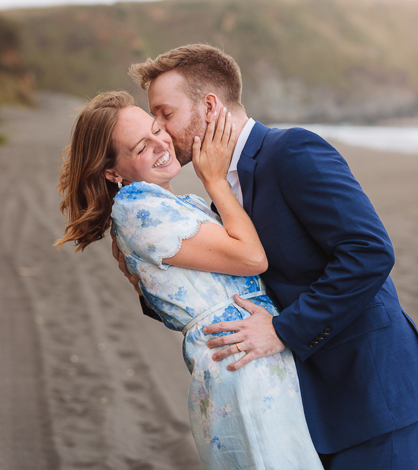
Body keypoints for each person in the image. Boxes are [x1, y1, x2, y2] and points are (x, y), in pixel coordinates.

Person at [115, 44, 418, 469]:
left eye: (165, 114)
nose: (161, 130)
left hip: (372, 393)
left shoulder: (291, 150)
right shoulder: (219, 190)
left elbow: (368, 252)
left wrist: (283, 330)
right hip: (310, 402)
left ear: (209, 106)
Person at [56, 91, 323, 470]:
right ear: (113, 173)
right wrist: (215, 180)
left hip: (249, 354)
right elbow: (252, 258)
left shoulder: (171, 204)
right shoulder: (138, 210)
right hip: (238, 364)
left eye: (156, 130)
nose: (161, 145)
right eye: (141, 148)